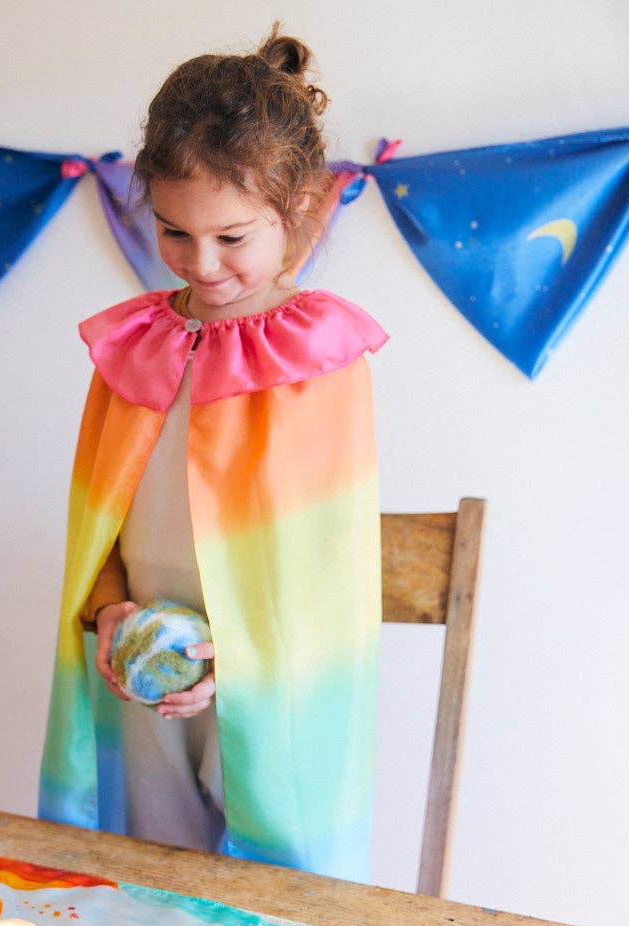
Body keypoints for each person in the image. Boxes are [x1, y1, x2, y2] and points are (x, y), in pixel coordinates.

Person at [38, 23, 387, 882]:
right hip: (143, 671)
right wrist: (112, 608)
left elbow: (327, 569)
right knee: (144, 879)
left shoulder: (317, 357)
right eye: (174, 233)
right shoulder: (136, 346)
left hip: (270, 685)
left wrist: (240, 662)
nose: (203, 263)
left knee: (268, 898)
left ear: (300, 208)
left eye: (232, 237)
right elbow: (101, 526)